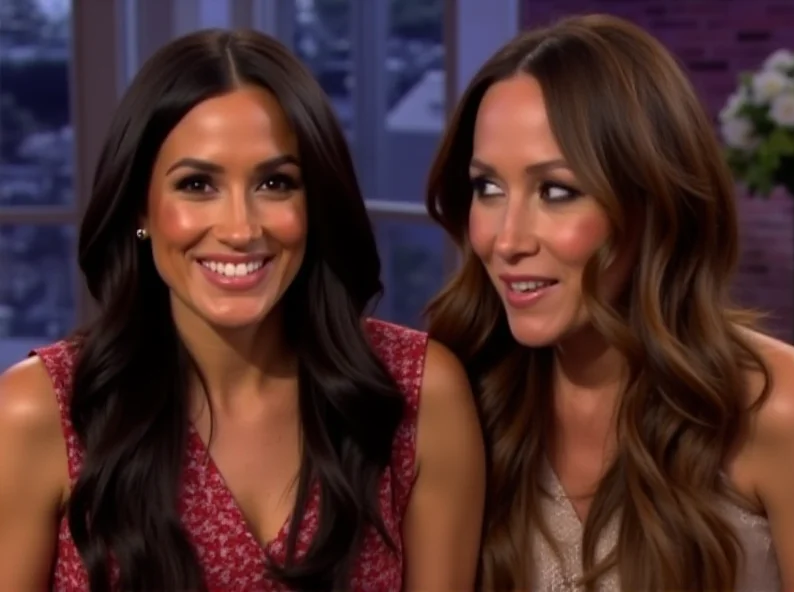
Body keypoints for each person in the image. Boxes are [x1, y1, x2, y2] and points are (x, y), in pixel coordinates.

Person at [0, 29, 485, 591]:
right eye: (197, 184)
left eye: (275, 183)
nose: (240, 229)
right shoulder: (40, 413)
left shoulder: (419, 395)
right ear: (141, 206)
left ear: (314, 202)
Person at [426, 13, 794, 592]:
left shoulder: (779, 407)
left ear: (652, 202)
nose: (507, 240)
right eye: (488, 189)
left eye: (557, 191)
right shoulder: (460, 399)